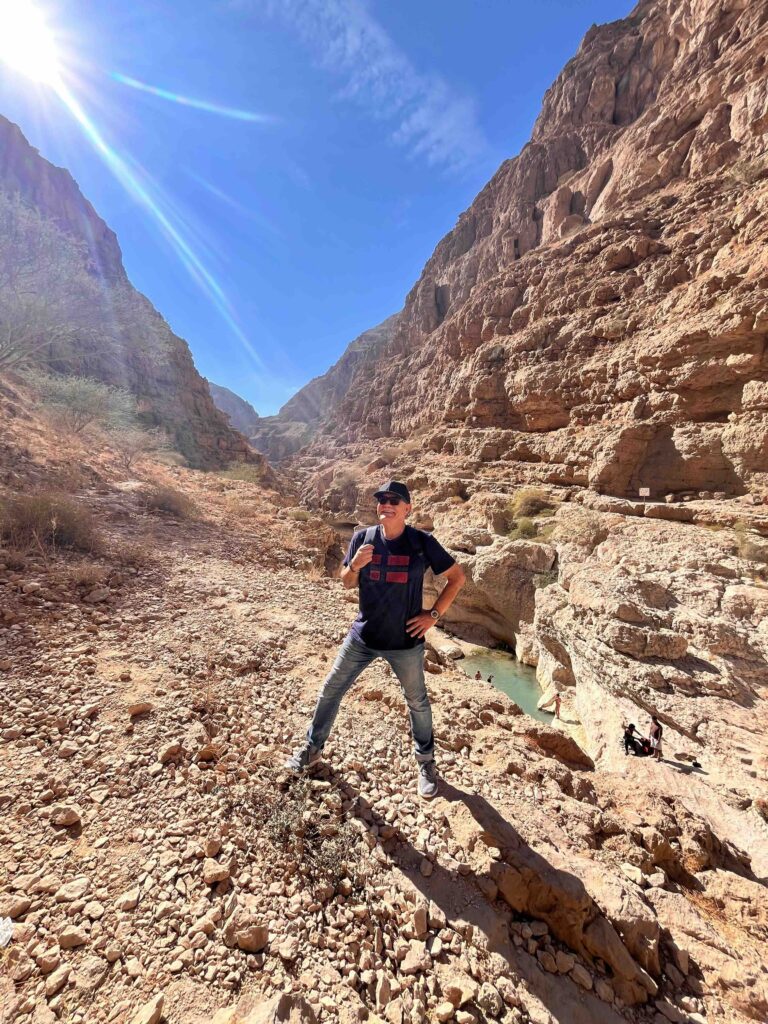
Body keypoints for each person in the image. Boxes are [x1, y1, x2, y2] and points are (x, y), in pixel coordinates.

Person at [286, 481, 466, 799]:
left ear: (407, 509)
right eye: (382, 499)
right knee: (331, 690)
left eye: (394, 500)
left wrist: (433, 616)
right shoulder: (363, 538)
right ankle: (311, 750)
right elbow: (345, 583)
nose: (386, 504)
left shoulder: (421, 542)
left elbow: (457, 577)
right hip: (363, 637)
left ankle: (425, 764)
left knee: (417, 703)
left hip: (406, 643)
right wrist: (354, 566)